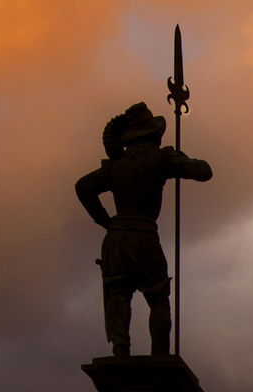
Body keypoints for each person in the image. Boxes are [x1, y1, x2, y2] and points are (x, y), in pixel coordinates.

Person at [75, 102, 212, 356]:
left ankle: (120, 347)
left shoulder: (117, 164)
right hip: (144, 235)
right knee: (158, 295)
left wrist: (108, 222)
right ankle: (160, 354)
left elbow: (83, 186)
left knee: (119, 294)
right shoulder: (159, 158)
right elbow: (204, 171)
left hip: (116, 238)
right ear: (152, 134)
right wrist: (181, 160)